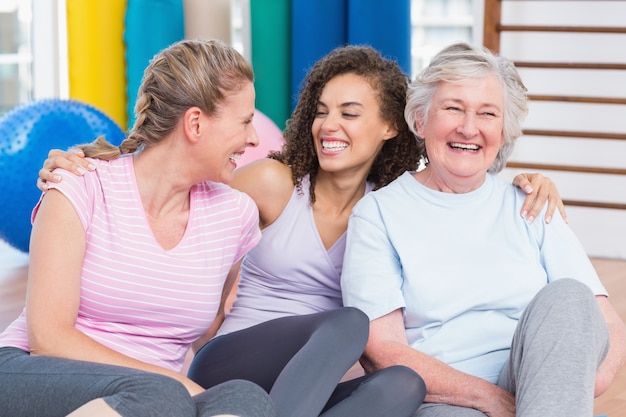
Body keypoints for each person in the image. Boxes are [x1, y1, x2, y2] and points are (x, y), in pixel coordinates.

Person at [36, 45, 566, 417]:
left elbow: (461, 193)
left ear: (389, 127)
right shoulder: (271, 182)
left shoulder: (392, 212)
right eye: (321, 110)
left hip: (307, 383)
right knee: (347, 323)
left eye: (350, 113)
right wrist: (94, 157)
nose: (328, 125)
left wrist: (529, 179)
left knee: (402, 384)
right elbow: (180, 187)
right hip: (233, 361)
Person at [340, 42, 626, 417]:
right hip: (444, 397)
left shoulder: (531, 203)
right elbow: (383, 353)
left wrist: (555, 392)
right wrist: (496, 401)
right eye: (453, 107)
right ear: (421, 120)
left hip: (534, 389)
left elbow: (608, 325)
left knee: (571, 296)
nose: (469, 127)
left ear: (504, 131)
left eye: (487, 113)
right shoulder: (378, 214)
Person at [0, 39, 279, 417]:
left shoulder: (234, 216)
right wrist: (176, 386)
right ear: (195, 123)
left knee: (245, 398)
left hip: (154, 398)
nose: (254, 138)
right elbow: (48, 340)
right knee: (159, 396)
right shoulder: (80, 185)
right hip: (31, 372)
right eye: (245, 120)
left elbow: (207, 331)